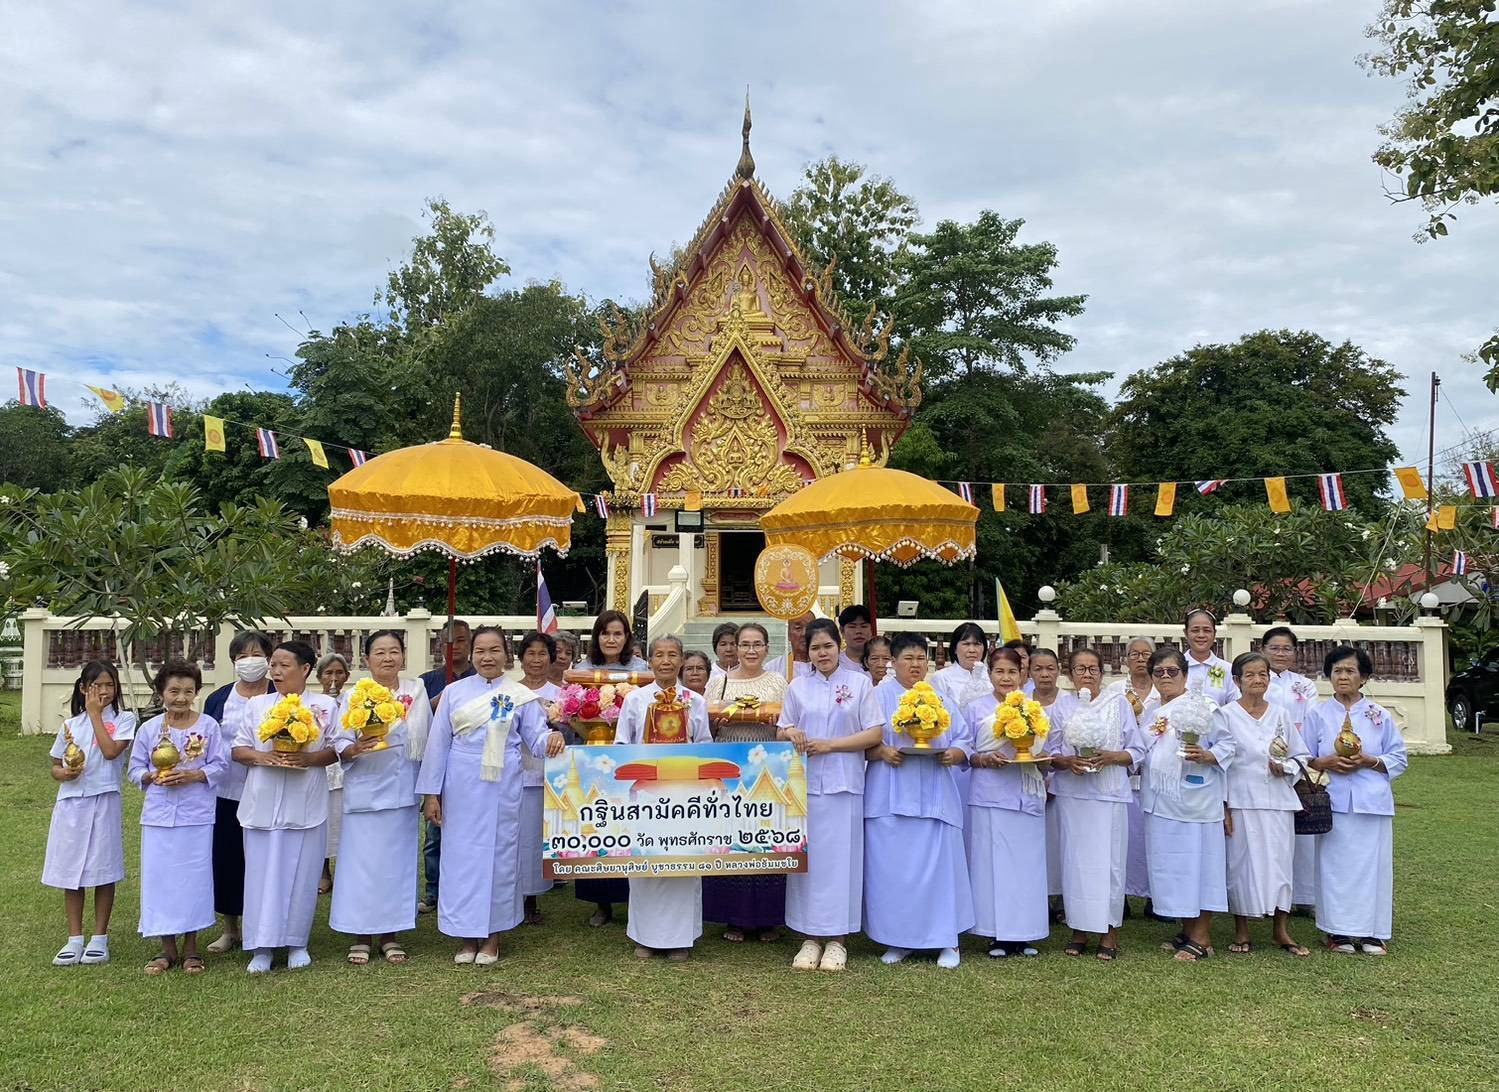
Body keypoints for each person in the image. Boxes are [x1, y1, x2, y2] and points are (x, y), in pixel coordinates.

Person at [417, 626, 565, 964]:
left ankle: (493, 937)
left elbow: (535, 738)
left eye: (494, 650)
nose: (487, 657)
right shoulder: (454, 693)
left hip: (502, 787)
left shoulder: (519, 695)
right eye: (481, 650)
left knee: (498, 860)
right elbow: (438, 746)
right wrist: (431, 795)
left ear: (506, 655)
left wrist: (552, 739)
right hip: (461, 786)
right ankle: (467, 937)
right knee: (462, 861)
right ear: (472, 655)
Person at [777, 618, 884, 971]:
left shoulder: (859, 683)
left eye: (827, 646)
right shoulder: (797, 686)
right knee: (808, 862)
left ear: (838, 646)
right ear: (806, 651)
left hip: (845, 784)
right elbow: (783, 728)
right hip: (804, 786)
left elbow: (873, 735)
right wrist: (791, 733)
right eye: (815, 647)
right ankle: (809, 937)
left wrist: (831, 745)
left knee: (842, 862)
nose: (822, 653)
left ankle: (838, 940)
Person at [863, 632, 973, 969]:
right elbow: (862, 739)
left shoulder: (940, 697)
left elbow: (964, 738)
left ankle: (947, 942)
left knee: (941, 871)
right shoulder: (877, 696)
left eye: (921, 659)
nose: (915, 665)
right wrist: (880, 751)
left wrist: (954, 752)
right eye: (908, 658)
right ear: (891, 662)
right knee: (893, 872)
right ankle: (899, 939)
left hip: (935, 797)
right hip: (889, 796)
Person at [233, 641, 340, 973]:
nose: (275, 672)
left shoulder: (324, 706)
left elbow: (336, 749)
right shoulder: (257, 705)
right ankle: (261, 947)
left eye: (283, 665)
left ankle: (297, 942)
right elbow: (238, 749)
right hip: (261, 802)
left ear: (305, 669)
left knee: (302, 874)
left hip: (305, 800)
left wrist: (306, 758)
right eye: (273, 666)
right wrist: (264, 757)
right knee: (260, 875)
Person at [329, 629, 431, 966]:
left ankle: (390, 935)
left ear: (403, 655)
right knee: (361, 866)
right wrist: (354, 748)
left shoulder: (415, 690)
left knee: (395, 867)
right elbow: (338, 740)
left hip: (402, 790)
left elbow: (428, 741)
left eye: (394, 651)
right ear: (367, 659)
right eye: (380, 652)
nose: (388, 658)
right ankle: (360, 935)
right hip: (364, 789)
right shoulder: (354, 695)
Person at [613, 635, 714, 960]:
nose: (666, 661)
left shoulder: (694, 701)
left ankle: (680, 937)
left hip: (685, 795)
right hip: (645, 793)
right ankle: (646, 936)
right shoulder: (636, 700)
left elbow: (705, 743)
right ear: (650, 661)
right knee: (646, 860)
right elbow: (620, 745)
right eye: (659, 655)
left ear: (682, 660)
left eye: (673, 655)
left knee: (682, 863)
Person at [1304, 646, 1407, 955]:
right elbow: (1303, 757)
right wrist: (1327, 762)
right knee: (1334, 868)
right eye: (1337, 671)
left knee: (1372, 867)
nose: (1343, 676)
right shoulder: (1318, 714)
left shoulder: (1379, 715)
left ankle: (1373, 933)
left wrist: (1369, 761)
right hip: (1333, 802)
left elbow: (1399, 758)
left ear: (1363, 677)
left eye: (1350, 671)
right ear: (1329, 677)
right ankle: (1338, 932)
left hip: (1371, 802)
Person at [1138, 646, 1237, 962]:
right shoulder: (1153, 710)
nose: (1165, 677)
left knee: (1200, 866)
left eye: (1172, 671)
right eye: (1159, 672)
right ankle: (1187, 930)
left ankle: (1203, 938)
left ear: (1185, 674)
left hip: (1196, 801)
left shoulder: (1204, 705)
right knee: (1175, 868)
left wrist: (1208, 755)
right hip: (1160, 802)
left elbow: (1228, 744)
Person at [129, 660, 225, 975]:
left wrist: (194, 775)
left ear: (196, 692)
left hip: (196, 817)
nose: (180, 698)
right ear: (161, 693)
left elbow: (221, 766)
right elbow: (134, 770)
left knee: (193, 881)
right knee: (161, 882)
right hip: (158, 818)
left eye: (187, 691)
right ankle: (166, 949)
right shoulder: (149, 729)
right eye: (174, 691)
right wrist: (151, 777)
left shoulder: (208, 726)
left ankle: (192, 949)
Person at [1048, 649, 1144, 960]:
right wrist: (1068, 761)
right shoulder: (1061, 706)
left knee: (1110, 864)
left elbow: (1137, 749)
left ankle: (1109, 932)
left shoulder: (1118, 704)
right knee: (1076, 863)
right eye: (1080, 669)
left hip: (1109, 794)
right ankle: (1078, 929)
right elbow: (1050, 753)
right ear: (1070, 673)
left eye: (1093, 669)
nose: (1087, 675)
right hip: (1074, 797)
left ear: (1102, 674)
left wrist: (1112, 757)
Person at [43, 660, 138, 967]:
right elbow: (56, 765)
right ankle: (74, 938)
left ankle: (100, 937)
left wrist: (96, 714)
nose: (104, 691)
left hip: (104, 801)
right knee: (72, 872)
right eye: (96, 685)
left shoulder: (124, 719)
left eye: (110, 685)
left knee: (103, 869)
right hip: (72, 803)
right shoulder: (70, 725)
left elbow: (111, 752)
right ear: (83, 688)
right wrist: (65, 775)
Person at [964, 647, 1055, 958]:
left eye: (1012, 672)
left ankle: (1025, 933)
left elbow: (1047, 753)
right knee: (993, 866)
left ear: (1022, 675)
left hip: (1026, 795)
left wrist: (1041, 759)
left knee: (1026, 866)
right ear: (990, 674)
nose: (1006, 678)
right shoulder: (975, 708)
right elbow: (965, 752)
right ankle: (997, 934)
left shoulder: (1035, 709)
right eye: (999, 672)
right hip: (989, 796)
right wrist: (982, 758)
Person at [1219, 652, 1311, 957]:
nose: (1258, 680)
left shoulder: (1281, 714)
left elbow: (1301, 756)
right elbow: (1220, 763)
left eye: (1263, 674)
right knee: (1241, 864)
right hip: (1241, 799)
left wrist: (1284, 768)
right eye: (1251, 675)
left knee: (1280, 863)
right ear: (1237, 680)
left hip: (1277, 800)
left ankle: (1280, 929)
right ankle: (1242, 929)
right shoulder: (1226, 715)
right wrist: (1224, 806)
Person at [705, 622, 788, 942]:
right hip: (729, 769)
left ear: (768, 649)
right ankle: (733, 917)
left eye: (757, 644)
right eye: (745, 645)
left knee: (766, 839)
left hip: (767, 769)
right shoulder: (718, 683)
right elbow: (706, 733)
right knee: (732, 841)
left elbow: (789, 727)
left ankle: (768, 918)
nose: (751, 651)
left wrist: (777, 723)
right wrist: (717, 722)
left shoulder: (779, 683)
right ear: (734, 648)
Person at [203, 630, 275, 954]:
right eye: (242, 656)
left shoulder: (281, 696)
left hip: (271, 790)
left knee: (263, 860)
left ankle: (260, 926)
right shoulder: (218, 699)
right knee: (227, 859)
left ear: (269, 660)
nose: (250, 662)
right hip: (226, 792)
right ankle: (230, 928)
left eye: (256, 654)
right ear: (233, 662)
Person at [573, 609, 646, 926]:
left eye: (618, 633)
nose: (611, 639)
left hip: (631, 758)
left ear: (627, 637)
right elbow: (571, 708)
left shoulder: (642, 670)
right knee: (597, 827)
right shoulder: (582, 670)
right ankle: (600, 904)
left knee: (628, 829)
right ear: (597, 637)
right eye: (605, 633)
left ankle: (633, 899)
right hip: (593, 756)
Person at [417, 619, 474, 916]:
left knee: (470, 835)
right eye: (448, 642)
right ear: (440, 646)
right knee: (435, 834)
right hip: (439, 763)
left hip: (473, 769)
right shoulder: (426, 681)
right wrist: (435, 701)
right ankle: (433, 892)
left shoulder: (482, 678)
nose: (455, 648)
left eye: (461, 641)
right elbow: (414, 721)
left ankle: (464, 890)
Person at [1262, 626, 1320, 912]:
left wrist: (1296, 759)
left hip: (1296, 761)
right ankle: (1268, 893)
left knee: (1303, 830)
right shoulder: (1256, 679)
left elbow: (1311, 722)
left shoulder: (1304, 685)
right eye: (1274, 647)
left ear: (1295, 654)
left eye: (1286, 648)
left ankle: (1305, 897)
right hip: (1261, 761)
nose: (1280, 653)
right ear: (1263, 650)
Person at [1104, 637, 1156, 907]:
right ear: (1125, 659)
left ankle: (1154, 896)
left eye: (1146, 653)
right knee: (1123, 837)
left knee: (1151, 838)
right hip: (1122, 772)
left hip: (1154, 774)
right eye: (1134, 654)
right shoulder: (1115, 690)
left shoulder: (1165, 690)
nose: (1140, 658)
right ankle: (1121, 894)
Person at [514, 631, 561, 925]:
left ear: (551, 658)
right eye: (530, 653)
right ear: (521, 658)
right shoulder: (509, 692)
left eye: (542, 653)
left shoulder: (561, 694)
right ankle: (511, 896)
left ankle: (531, 898)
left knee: (534, 838)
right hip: (512, 773)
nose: (536, 659)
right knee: (514, 837)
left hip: (546, 773)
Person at [316, 651, 351, 895]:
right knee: (325, 820)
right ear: (318, 677)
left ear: (347, 676)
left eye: (339, 673)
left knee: (342, 821)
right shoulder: (314, 704)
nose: (334, 678)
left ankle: (345, 871)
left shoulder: (353, 701)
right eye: (328, 673)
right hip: (323, 768)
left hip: (346, 770)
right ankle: (323, 870)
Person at [1183, 609, 1238, 706]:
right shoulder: (1175, 668)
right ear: (1186, 633)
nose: (1201, 635)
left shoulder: (1227, 669)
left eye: (1207, 630)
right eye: (1195, 630)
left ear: (1214, 634)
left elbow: (1234, 705)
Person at [934, 622, 991, 707]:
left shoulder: (992, 676)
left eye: (977, 644)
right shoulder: (942, 677)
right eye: (966, 644)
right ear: (955, 649)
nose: (972, 650)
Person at [765, 612, 816, 681]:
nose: (804, 633)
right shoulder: (773, 669)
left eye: (809, 628)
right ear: (788, 634)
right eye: (798, 628)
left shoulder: (826, 666)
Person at [837, 605, 874, 672]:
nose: (858, 631)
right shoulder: (835, 663)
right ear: (842, 631)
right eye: (852, 627)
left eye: (864, 626)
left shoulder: (881, 662)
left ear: (871, 629)